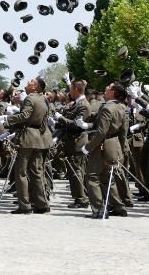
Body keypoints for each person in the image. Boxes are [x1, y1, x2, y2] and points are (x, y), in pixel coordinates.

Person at [0, 77, 51, 214]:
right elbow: (44, 120)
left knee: (20, 172)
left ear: (35, 87)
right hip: (39, 137)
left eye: (31, 82)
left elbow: (25, 115)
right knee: (37, 172)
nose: (27, 83)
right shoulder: (43, 99)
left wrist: (8, 119)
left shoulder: (30, 98)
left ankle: (25, 205)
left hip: (28, 138)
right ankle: (41, 204)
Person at [81, 83, 129, 218]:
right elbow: (123, 132)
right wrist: (120, 148)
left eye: (108, 89)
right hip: (114, 145)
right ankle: (118, 206)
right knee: (107, 177)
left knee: (92, 176)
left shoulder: (107, 108)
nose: (105, 90)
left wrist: (88, 147)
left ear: (113, 93)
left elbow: (101, 132)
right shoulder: (122, 107)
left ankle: (98, 209)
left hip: (103, 145)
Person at [55, 78, 90, 208]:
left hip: (78, 141)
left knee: (77, 171)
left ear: (75, 89)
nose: (69, 91)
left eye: (71, 88)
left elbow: (76, 125)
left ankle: (81, 199)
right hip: (71, 141)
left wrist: (61, 118)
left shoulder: (84, 105)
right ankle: (78, 197)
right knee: (73, 171)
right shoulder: (76, 103)